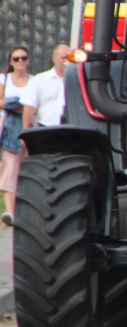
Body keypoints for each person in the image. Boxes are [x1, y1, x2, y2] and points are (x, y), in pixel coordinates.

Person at [0, 46, 39, 225]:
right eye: (16, 59)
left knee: (29, 167)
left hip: (30, 123)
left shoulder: (35, 81)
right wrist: (14, 105)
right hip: (10, 124)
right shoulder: (4, 78)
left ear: (29, 60)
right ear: (11, 62)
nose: (21, 61)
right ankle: (11, 212)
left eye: (24, 58)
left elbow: (36, 105)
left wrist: (25, 108)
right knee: (10, 168)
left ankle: (28, 210)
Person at [34, 44, 70, 128]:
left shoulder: (75, 80)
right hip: (44, 127)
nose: (66, 61)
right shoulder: (40, 79)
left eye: (68, 58)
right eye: (63, 58)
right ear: (54, 58)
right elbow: (31, 108)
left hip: (67, 128)